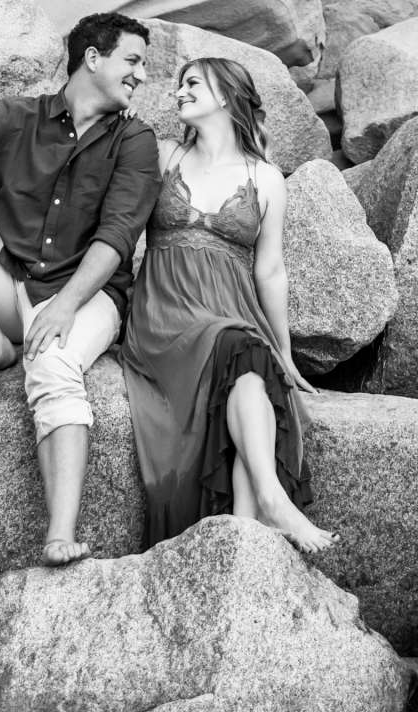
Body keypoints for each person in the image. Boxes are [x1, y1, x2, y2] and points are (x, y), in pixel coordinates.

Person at [0, 12, 161, 566]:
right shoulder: (18, 117)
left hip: (90, 297)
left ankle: (60, 533)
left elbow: (118, 235)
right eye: (132, 61)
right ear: (93, 58)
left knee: (54, 366)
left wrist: (65, 307)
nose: (140, 75)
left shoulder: (134, 140)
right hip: (11, 284)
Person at [121, 55, 334, 554]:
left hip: (230, 311)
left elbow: (270, 271)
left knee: (253, 366)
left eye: (192, 83)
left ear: (224, 95)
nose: (180, 93)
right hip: (165, 314)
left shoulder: (266, 179)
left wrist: (284, 351)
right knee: (240, 351)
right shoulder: (163, 155)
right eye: (179, 85)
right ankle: (272, 504)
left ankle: (248, 525)